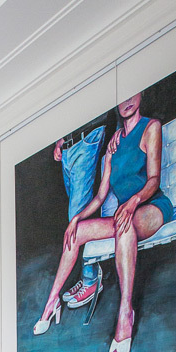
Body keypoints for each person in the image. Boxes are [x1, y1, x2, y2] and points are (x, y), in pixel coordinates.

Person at [33, 92, 173, 352]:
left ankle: (125, 312)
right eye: (122, 97)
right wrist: (76, 219)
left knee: (124, 225)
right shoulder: (113, 146)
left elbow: (154, 179)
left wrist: (133, 202)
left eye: (133, 94)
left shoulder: (151, 127)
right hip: (124, 216)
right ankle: (51, 303)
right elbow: (99, 197)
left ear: (142, 95)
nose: (127, 101)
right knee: (77, 232)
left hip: (152, 207)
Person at [52, 109, 116, 310]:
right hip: (69, 145)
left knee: (77, 218)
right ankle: (88, 275)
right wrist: (60, 139)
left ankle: (91, 280)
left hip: (87, 135)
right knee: (75, 213)